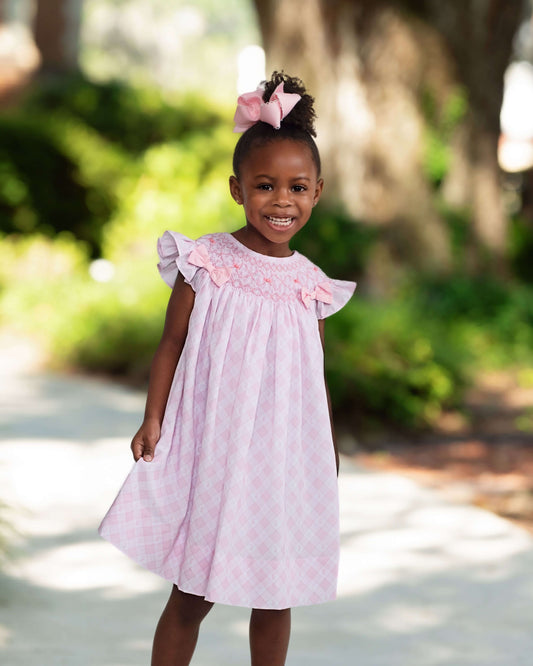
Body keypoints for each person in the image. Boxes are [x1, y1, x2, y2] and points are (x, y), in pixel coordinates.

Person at [99, 71, 356, 666]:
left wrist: (329, 443)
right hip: (216, 447)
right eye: (265, 186)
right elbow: (171, 343)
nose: (282, 201)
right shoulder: (208, 262)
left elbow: (312, 376)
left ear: (317, 191)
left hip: (284, 457)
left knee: (276, 595)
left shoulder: (310, 286)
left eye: (297, 187)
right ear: (237, 190)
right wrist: (153, 418)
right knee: (193, 590)